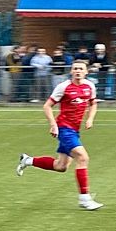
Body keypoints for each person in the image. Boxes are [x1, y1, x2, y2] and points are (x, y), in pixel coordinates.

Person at [16, 60, 103, 210]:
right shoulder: (63, 87)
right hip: (64, 129)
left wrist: (90, 119)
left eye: (81, 69)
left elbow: (93, 103)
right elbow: (47, 106)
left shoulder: (90, 86)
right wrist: (53, 125)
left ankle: (28, 160)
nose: (78, 71)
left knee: (61, 166)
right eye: (75, 68)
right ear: (71, 71)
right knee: (83, 158)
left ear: (86, 72)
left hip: (74, 130)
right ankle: (85, 198)